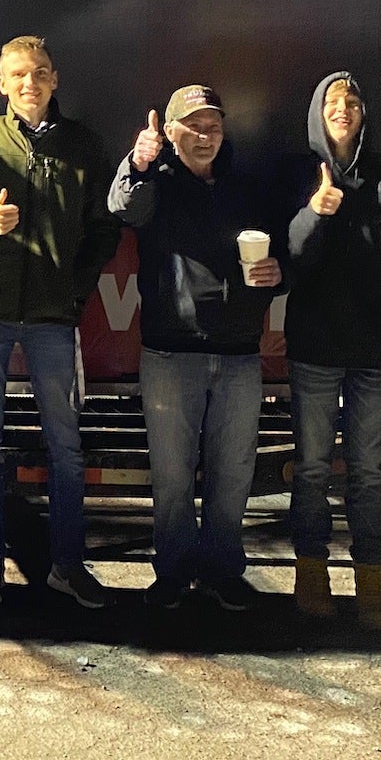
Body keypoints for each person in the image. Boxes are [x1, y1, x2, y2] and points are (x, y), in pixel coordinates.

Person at [0, 35, 120, 609]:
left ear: (54, 79)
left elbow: (103, 230)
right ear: (1, 83)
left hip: (51, 316)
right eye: (18, 74)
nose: (29, 83)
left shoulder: (84, 146)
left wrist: (74, 289)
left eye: (40, 73)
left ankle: (67, 565)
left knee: (65, 447)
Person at [108, 85, 284, 612]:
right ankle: (173, 571)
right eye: (192, 126)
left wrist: (280, 274)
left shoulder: (247, 186)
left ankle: (223, 571)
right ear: (171, 132)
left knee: (233, 474)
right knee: (172, 475)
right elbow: (124, 207)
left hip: (238, 352)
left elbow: (285, 251)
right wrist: (137, 163)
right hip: (169, 350)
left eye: (213, 126)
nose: (205, 136)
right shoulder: (154, 181)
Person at [283, 72, 381, 630]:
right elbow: (289, 260)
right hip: (314, 348)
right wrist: (316, 212)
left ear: (363, 114)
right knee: (311, 469)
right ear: (317, 113)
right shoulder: (294, 171)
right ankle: (311, 575)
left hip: (375, 354)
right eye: (332, 102)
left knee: (367, 472)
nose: (343, 110)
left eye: (352, 103)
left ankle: (371, 583)